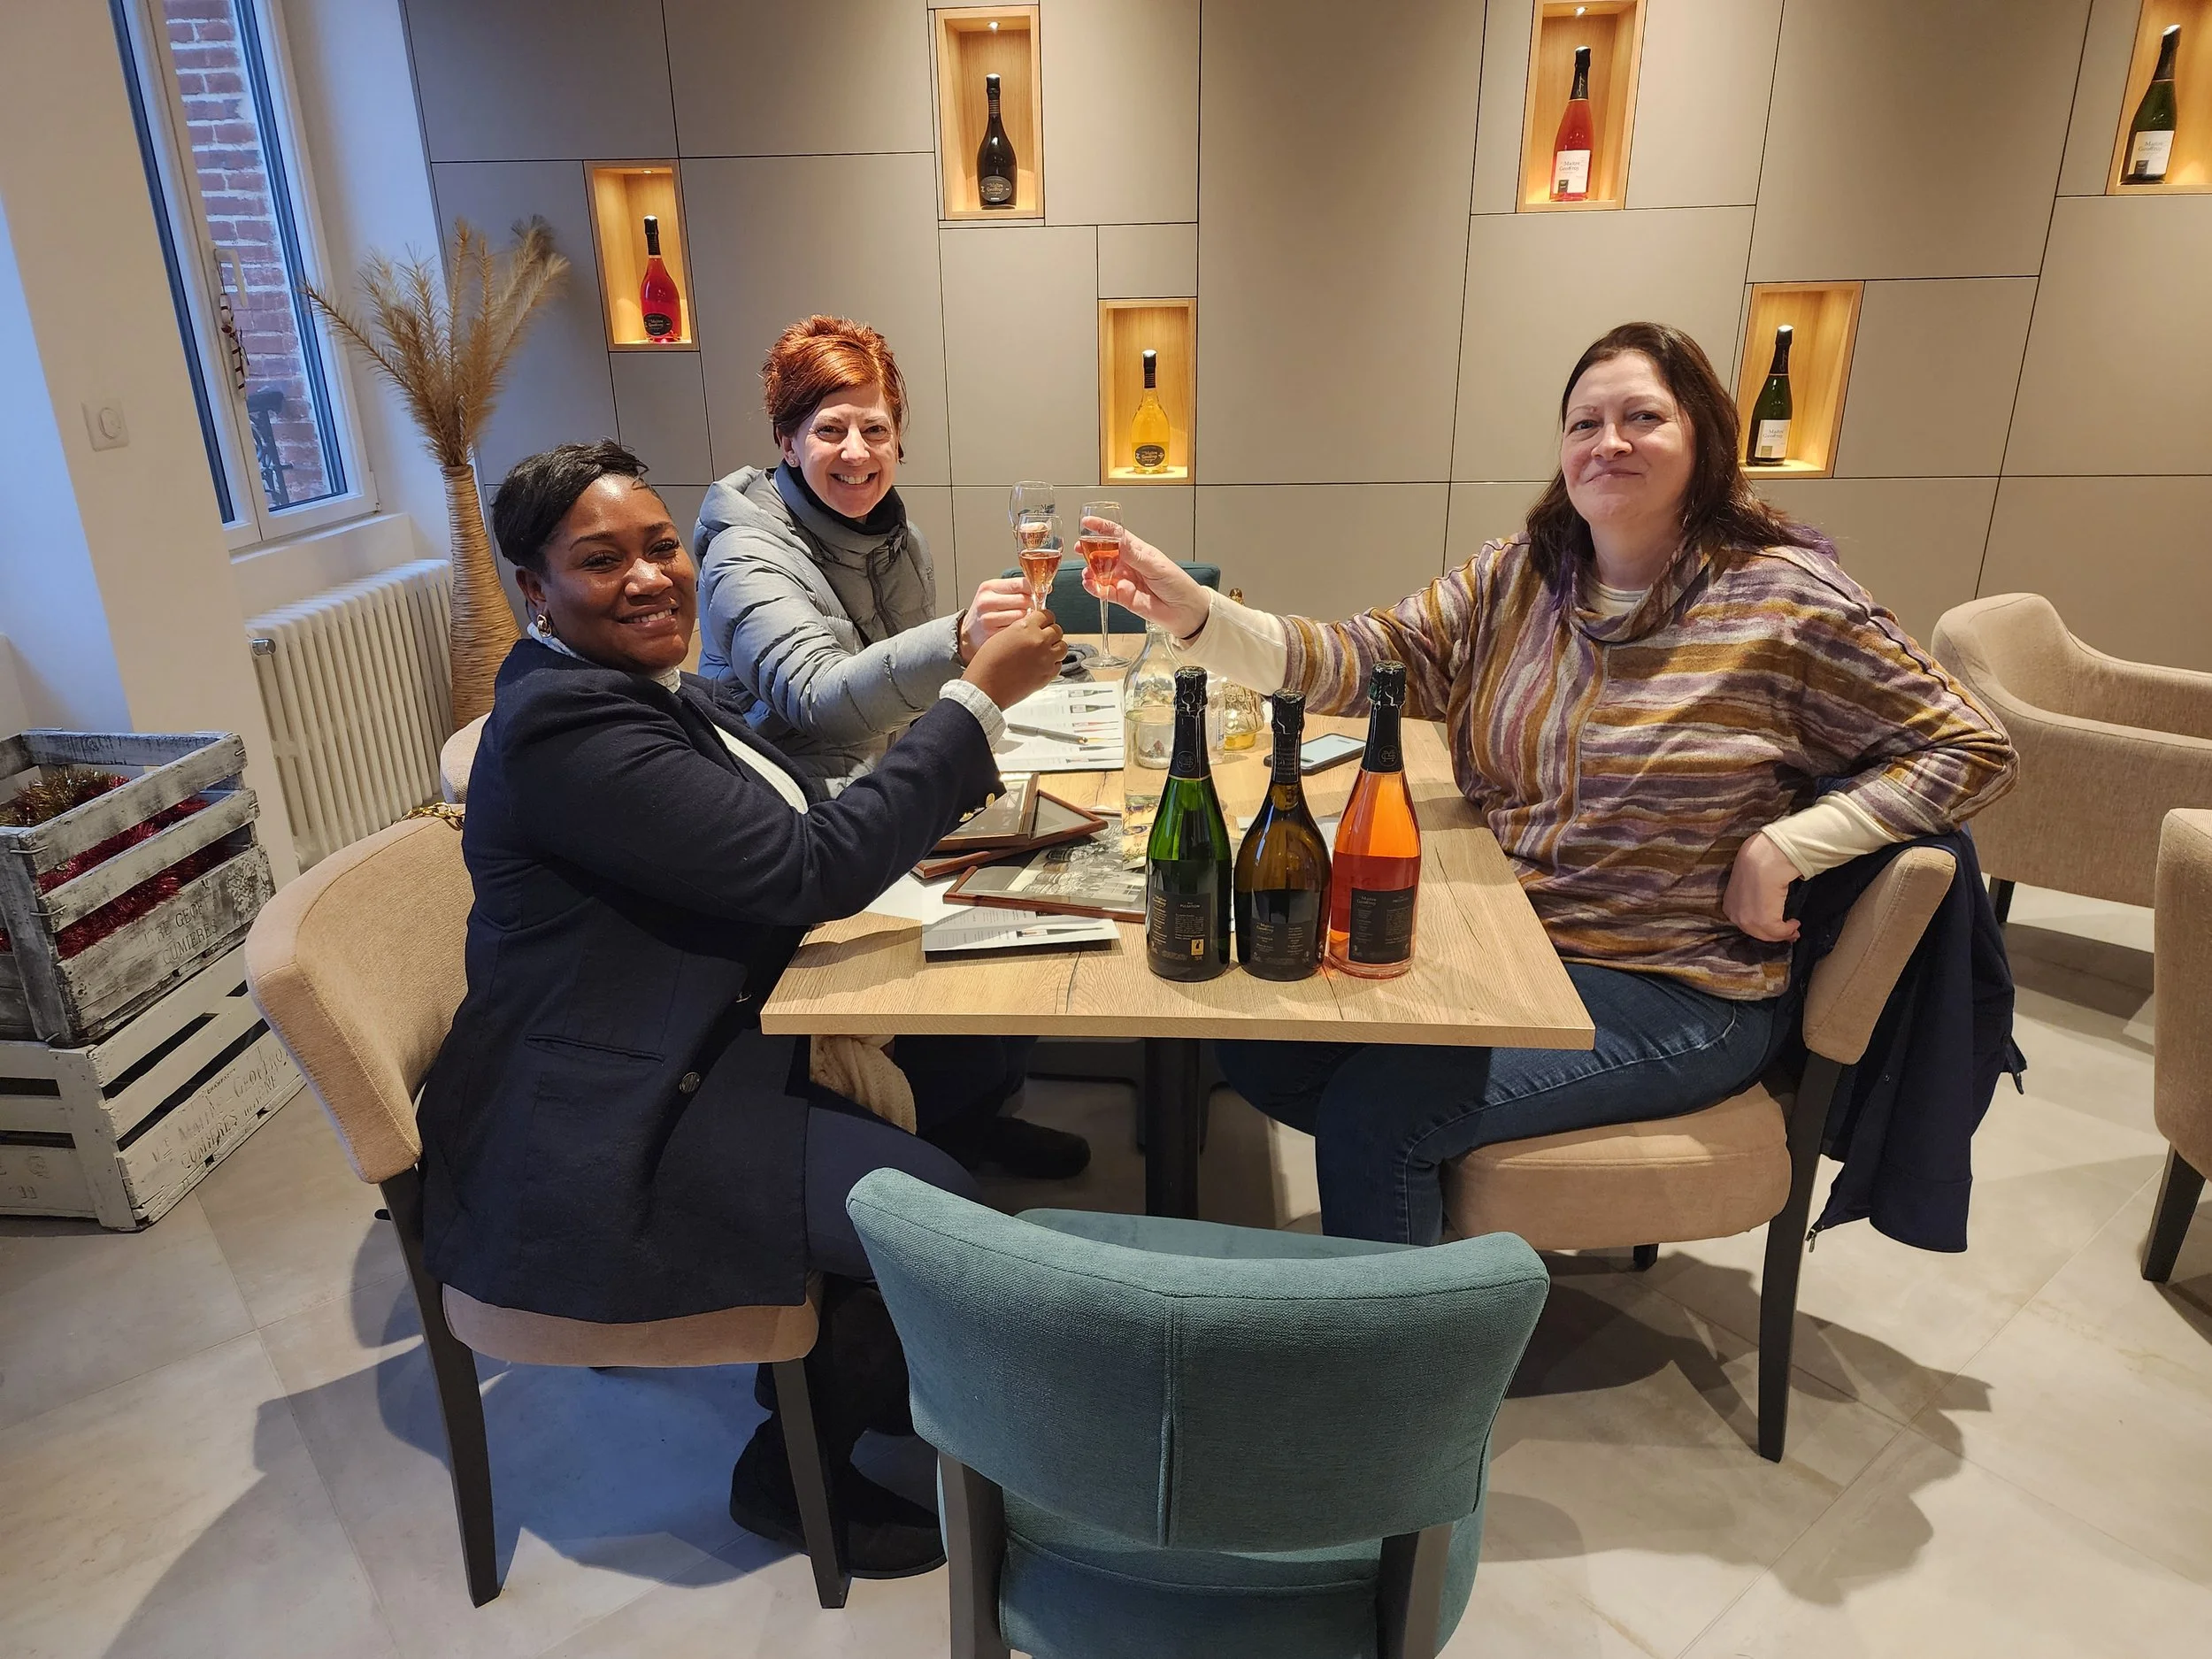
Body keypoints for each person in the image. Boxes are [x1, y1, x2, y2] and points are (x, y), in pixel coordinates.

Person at [1083, 321, 2017, 1248]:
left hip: (1674, 980)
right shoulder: (1520, 577)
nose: (1607, 442)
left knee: (1383, 1114)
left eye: (1641, 417)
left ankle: (1388, 1371)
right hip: (1509, 942)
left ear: (1704, 439)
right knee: (1257, 1034)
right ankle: (1428, 1246)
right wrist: (1201, 616)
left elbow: (1973, 746)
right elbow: (1366, 656)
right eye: (1583, 424)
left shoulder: (1785, 598)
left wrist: (1787, 845)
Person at [416, 441, 1068, 1577]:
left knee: (965, 1051)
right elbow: (804, 870)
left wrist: (948, 684)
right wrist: (971, 702)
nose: (650, 576)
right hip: (612, 1106)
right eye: (599, 560)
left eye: (659, 545)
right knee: (936, 1216)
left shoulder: (644, 688)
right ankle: (786, 1468)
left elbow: (787, 796)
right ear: (537, 592)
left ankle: (880, 1347)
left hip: (700, 1019)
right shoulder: (566, 728)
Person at [693, 313, 1031, 787]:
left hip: (887, 798)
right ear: (788, 443)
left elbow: (909, 707)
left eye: (875, 430)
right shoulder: (745, 552)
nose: (856, 453)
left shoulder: (905, 542)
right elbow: (816, 697)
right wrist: (958, 640)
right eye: (830, 430)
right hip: (794, 814)